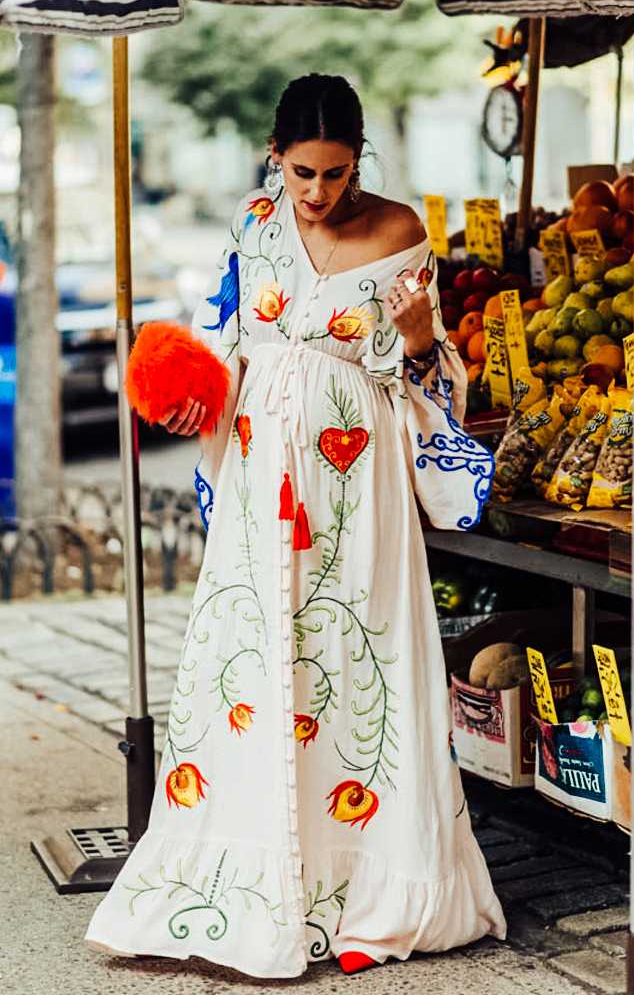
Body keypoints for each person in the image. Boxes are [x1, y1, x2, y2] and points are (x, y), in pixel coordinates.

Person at [86, 74, 505, 978]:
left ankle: (370, 890)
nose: (317, 193)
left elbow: (431, 384)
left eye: (337, 172)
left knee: (354, 659)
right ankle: (244, 878)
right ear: (275, 156)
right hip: (253, 470)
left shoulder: (398, 232)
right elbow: (223, 336)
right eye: (302, 171)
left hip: (356, 487)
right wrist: (178, 383)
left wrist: (426, 335)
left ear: (360, 160)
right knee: (250, 653)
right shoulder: (253, 222)